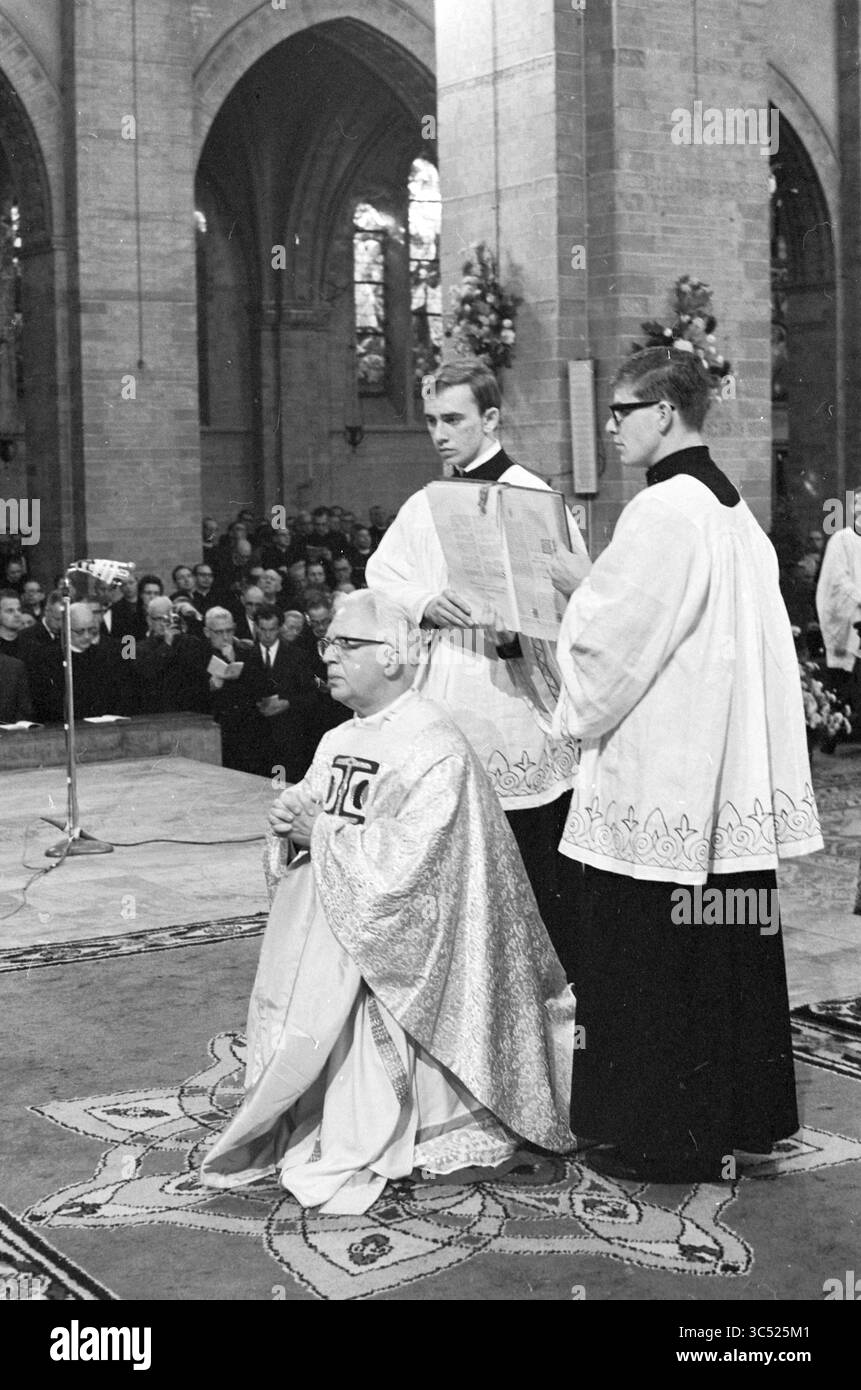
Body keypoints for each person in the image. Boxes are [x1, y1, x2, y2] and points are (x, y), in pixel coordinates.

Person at [200, 590, 575, 1212]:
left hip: (413, 961)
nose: (330, 656)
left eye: (348, 644)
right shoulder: (337, 738)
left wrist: (316, 830)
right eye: (327, 643)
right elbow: (318, 819)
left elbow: (416, 871)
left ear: (398, 656)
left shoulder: (434, 746)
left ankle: (429, 1123)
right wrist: (289, 820)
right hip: (338, 934)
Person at [549, 347, 823, 1183]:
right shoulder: (731, 507)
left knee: (654, 961)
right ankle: (740, 1118)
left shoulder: (665, 509)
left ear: (664, 411)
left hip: (664, 781)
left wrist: (573, 587)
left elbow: (614, 647)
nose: (610, 426)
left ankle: (662, 1137)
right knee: (725, 949)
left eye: (621, 410)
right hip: (717, 780)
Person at [366, 358, 590, 976]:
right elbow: (382, 575)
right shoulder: (426, 502)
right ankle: (467, 976)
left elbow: (579, 599)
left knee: (523, 852)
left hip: (513, 697)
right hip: (447, 687)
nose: (440, 433)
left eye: (454, 419)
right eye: (432, 420)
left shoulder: (537, 498)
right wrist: (423, 601)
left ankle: (539, 983)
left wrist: (520, 630)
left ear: (491, 418)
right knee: (455, 842)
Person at [242, 603, 318, 781]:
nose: (267, 635)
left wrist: (287, 702)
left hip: (288, 740)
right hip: (256, 740)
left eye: (272, 629)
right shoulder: (245, 656)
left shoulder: (297, 656)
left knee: (282, 788)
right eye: (263, 629)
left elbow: (311, 696)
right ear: (256, 627)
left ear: (280, 628)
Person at [815, 489, 861, 744]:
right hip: (848, 619)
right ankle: (832, 736)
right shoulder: (841, 540)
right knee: (842, 680)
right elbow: (837, 580)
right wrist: (858, 598)